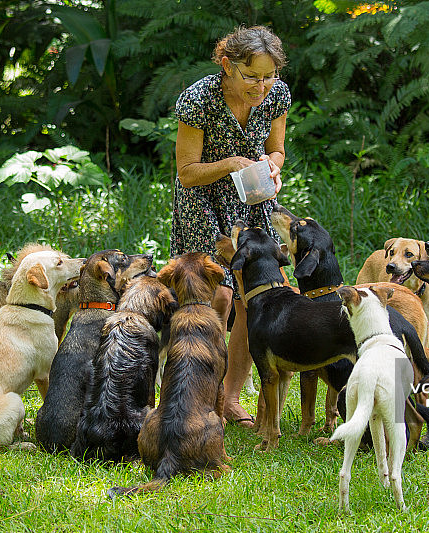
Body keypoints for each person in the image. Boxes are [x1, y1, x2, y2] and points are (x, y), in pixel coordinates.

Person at [171, 25, 291, 428]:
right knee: (219, 296)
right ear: (227, 65)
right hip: (202, 202)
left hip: (252, 199)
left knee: (253, 299)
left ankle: (231, 396)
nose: (262, 86)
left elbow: (277, 149)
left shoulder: (277, 96)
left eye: (269, 75)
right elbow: (187, 172)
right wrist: (230, 164)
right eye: (252, 75)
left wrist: (272, 166)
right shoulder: (198, 100)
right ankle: (200, 392)